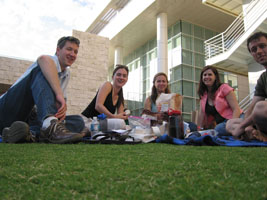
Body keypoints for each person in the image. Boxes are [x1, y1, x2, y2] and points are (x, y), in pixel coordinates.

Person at [0, 36, 85, 144]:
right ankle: (49, 127)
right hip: (7, 109)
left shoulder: (66, 74)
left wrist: (60, 113)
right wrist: (59, 95)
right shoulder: (50, 61)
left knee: (78, 121)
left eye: (75, 51)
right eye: (69, 49)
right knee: (41, 71)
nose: (72, 54)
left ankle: (27, 134)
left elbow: (55, 106)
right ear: (58, 50)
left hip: (28, 119)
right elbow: (43, 59)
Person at [226, 32, 267, 142]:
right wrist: (248, 126)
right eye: (254, 50)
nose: (258, 51)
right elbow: (252, 107)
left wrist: (242, 126)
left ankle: (256, 134)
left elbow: (259, 108)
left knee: (261, 108)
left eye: (262, 46)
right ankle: (256, 134)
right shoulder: (263, 78)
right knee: (230, 124)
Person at [197, 65, 242, 136]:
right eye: (204, 75)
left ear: (215, 77)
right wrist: (199, 130)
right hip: (222, 124)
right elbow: (201, 114)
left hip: (235, 118)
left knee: (218, 129)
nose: (207, 77)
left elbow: (236, 109)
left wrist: (232, 124)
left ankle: (247, 127)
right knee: (217, 130)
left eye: (210, 74)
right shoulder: (203, 95)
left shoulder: (224, 88)